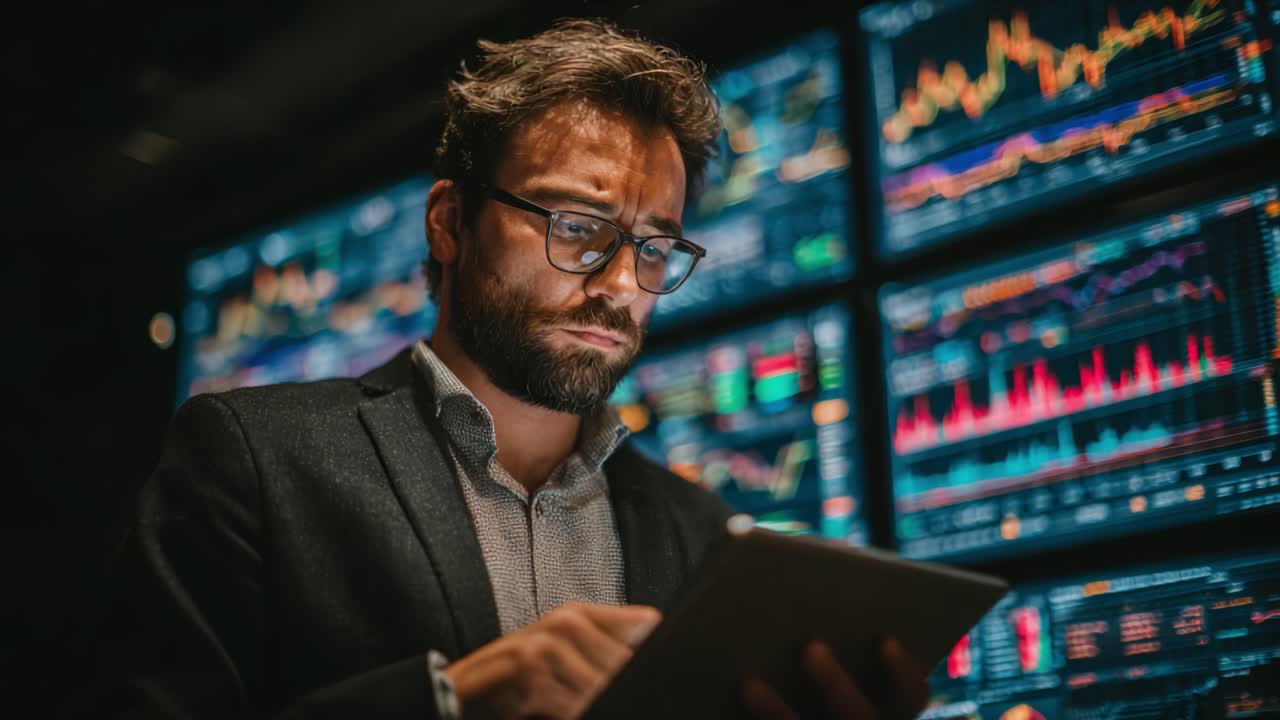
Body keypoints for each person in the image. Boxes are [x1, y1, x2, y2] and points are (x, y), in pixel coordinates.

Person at [75, 18, 930, 720]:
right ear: (450, 222)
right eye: (576, 223)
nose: (620, 284)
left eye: (655, 247)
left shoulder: (699, 532)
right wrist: (450, 705)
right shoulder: (256, 458)